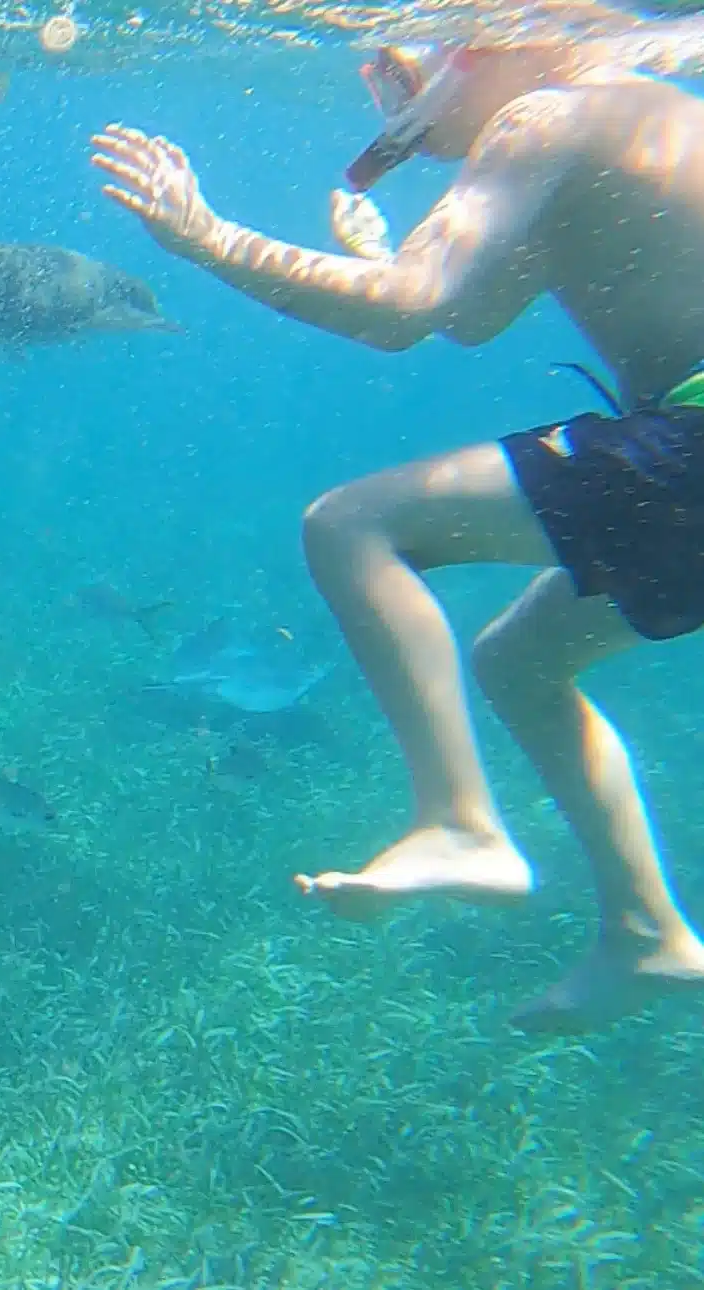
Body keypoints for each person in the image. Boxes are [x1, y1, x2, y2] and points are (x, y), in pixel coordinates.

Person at [88, 36, 704, 1032]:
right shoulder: (629, 112)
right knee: (517, 663)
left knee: (351, 525)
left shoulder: (542, 113)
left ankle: (460, 824)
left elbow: (406, 317)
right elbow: (471, 314)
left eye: (404, 72)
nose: (395, 114)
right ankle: (645, 929)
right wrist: (387, 257)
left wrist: (205, 237)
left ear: (494, 42)